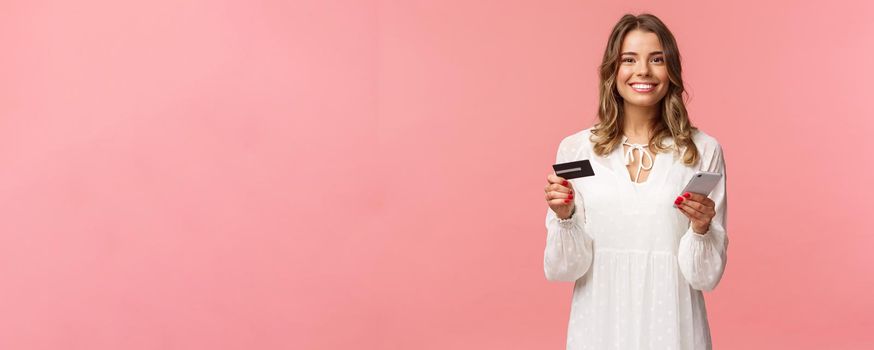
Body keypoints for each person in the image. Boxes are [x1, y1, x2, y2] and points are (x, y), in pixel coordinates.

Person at [542, 13, 729, 350]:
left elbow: (705, 277)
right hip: (599, 325)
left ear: (671, 69)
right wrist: (564, 217)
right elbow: (564, 269)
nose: (643, 70)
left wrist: (702, 229)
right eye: (629, 59)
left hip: (673, 326)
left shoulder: (701, 151)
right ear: (613, 70)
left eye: (656, 59)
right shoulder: (576, 149)